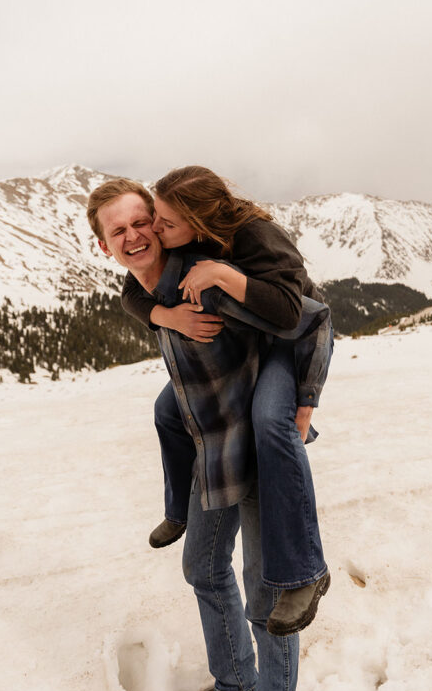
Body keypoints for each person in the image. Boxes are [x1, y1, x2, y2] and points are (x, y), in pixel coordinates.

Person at [86, 178, 331, 691]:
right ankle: (234, 682)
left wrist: (301, 404)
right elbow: (134, 300)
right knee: (201, 565)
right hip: (210, 449)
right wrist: (159, 312)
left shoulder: (205, 277)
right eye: (119, 231)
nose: (137, 235)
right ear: (104, 245)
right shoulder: (148, 290)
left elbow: (308, 317)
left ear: (164, 220)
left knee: (266, 599)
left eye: (144, 221)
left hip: (256, 453)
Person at [121, 165, 331, 635]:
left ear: (197, 221)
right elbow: (132, 290)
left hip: (292, 341)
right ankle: (178, 509)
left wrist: (307, 396)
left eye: (163, 222)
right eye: (153, 216)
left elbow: (298, 314)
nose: (153, 230)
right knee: (166, 411)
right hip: (257, 336)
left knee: (270, 424)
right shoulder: (188, 241)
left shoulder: (255, 236)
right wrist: (167, 317)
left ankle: (307, 571)